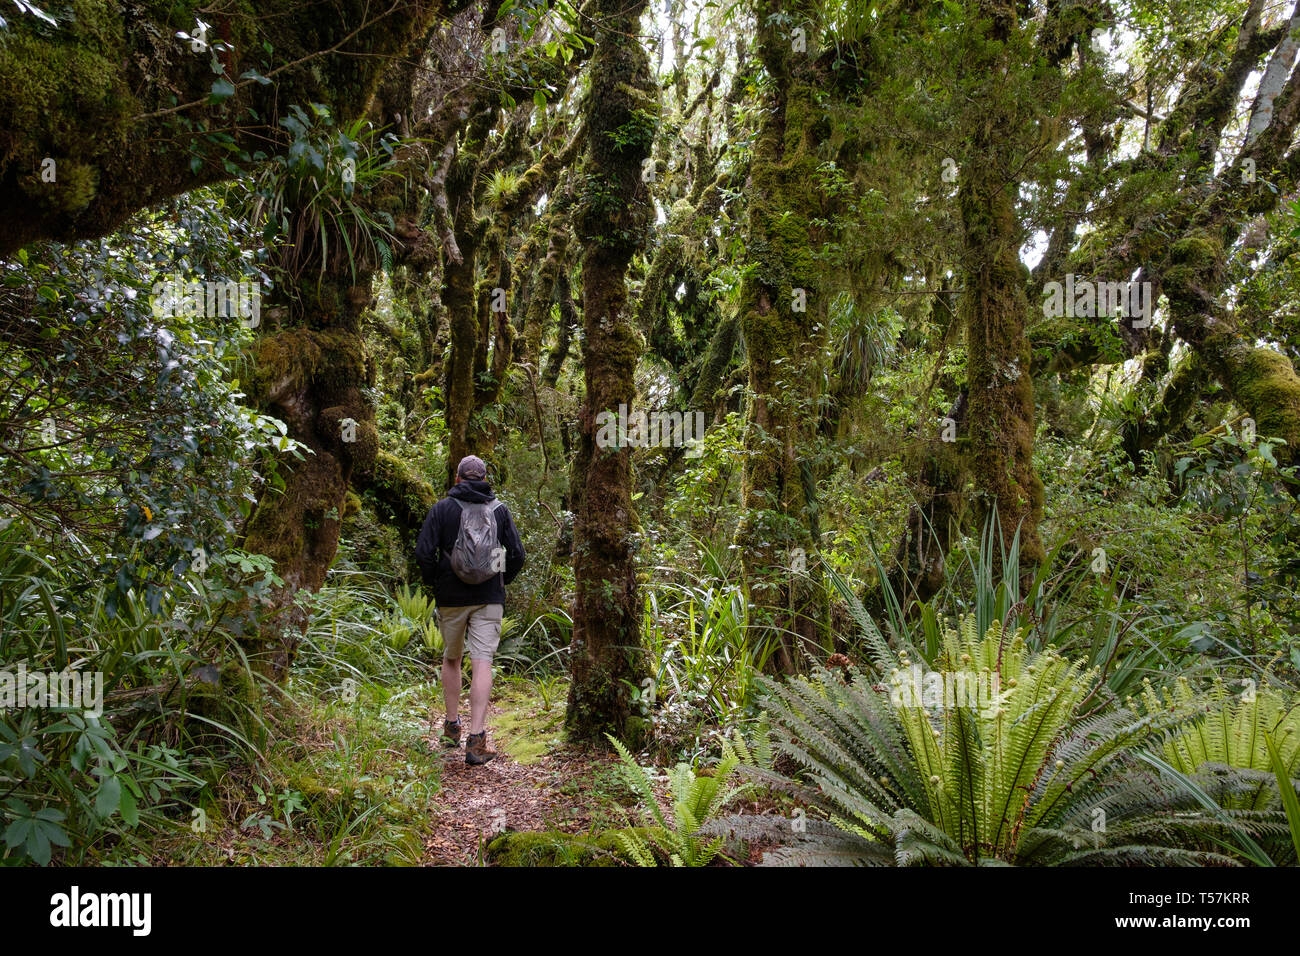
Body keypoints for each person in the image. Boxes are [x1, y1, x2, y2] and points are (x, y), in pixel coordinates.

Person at [415, 455, 525, 764]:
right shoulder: (499, 510)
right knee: (483, 662)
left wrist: (437, 580)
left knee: (452, 659)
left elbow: (423, 552)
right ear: (486, 478)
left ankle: (451, 726)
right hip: (489, 596)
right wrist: (500, 577)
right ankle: (476, 741)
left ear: (459, 478)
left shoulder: (441, 509)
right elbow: (516, 554)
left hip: (450, 597)